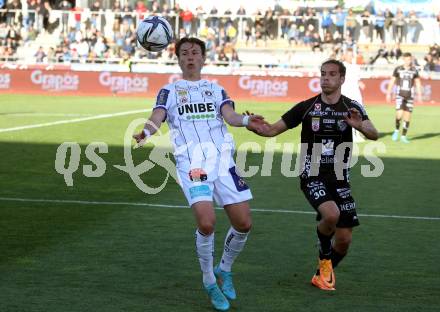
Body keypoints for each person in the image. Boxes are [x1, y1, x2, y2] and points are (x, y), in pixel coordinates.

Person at [133, 37, 265, 311]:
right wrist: (146, 131)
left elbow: (230, 116)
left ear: (204, 58)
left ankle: (224, 269)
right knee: (206, 223)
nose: (190, 56)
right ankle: (209, 281)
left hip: (223, 163)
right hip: (192, 164)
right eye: (184, 53)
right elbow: (157, 117)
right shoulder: (169, 91)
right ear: (178, 59)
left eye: (195, 52)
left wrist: (246, 120)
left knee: (244, 223)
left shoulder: (216, 90)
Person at [251, 60, 379, 291]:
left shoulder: (352, 107)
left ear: (342, 79)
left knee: (344, 241)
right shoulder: (307, 107)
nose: (326, 78)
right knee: (331, 215)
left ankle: (321, 274)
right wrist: (255, 127)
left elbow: (374, 134)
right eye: (322, 74)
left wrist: (359, 126)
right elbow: (271, 130)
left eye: (331, 74)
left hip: (340, 177)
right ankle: (324, 261)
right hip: (312, 173)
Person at [386, 52, 423, 143]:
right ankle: (396, 130)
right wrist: (388, 93)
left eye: (409, 60)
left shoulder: (414, 70)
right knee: (399, 115)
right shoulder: (398, 69)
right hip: (400, 96)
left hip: (410, 96)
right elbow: (392, 81)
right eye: (406, 59)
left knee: (407, 117)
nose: (408, 61)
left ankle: (403, 136)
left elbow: (418, 83)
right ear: (403, 59)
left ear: (411, 60)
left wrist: (420, 95)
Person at [341, 48, 366, 143]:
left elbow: (357, 79)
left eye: (352, 55)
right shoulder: (341, 66)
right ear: (345, 56)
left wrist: (361, 84)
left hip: (356, 93)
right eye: (349, 55)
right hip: (346, 93)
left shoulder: (356, 67)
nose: (351, 57)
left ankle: (356, 134)